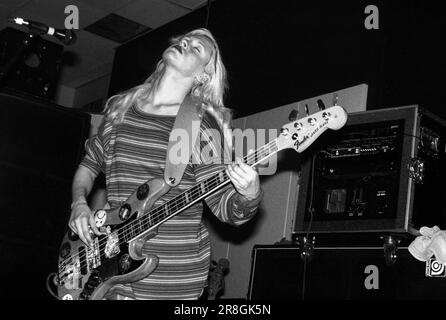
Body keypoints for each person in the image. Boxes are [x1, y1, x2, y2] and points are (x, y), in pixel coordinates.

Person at [68, 28, 263, 300]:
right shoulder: (121, 111)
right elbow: (88, 167)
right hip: (105, 264)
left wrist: (250, 194)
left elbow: (226, 208)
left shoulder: (199, 126)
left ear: (203, 76)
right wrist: (79, 204)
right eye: (185, 40)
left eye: (197, 48)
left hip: (170, 278)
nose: (185, 43)